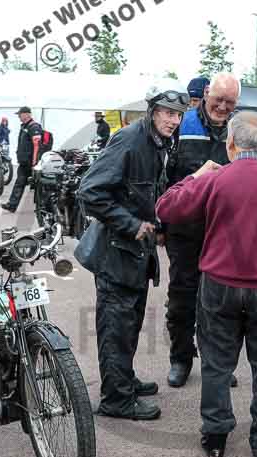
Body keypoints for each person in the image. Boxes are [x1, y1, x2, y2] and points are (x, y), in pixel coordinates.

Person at [157, 111, 257, 457]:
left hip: (219, 285)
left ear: (230, 144)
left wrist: (196, 175)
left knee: (216, 364)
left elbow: (166, 207)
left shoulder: (215, 180)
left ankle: (215, 435)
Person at [76, 81, 188, 421]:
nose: (174, 121)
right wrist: (132, 225)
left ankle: (122, 379)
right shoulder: (129, 139)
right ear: (153, 112)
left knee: (129, 323)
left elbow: (149, 191)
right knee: (116, 326)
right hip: (116, 253)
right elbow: (90, 192)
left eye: (179, 115)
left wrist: (160, 224)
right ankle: (116, 399)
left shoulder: (160, 142)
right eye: (168, 113)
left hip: (138, 254)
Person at [164, 72, 241, 388]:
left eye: (229, 102)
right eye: (218, 99)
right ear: (206, 94)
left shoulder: (241, 129)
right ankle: (181, 358)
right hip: (185, 229)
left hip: (224, 232)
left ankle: (217, 362)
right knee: (182, 296)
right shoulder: (182, 125)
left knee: (222, 302)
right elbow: (165, 176)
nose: (222, 106)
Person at [1, 107, 43, 213]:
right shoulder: (25, 126)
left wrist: (34, 162)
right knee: (20, 183)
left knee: (37, 185)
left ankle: (41, 207)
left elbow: (37, 145)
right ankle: (12, 205)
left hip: (30, 162)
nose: (19, 116)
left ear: (27, 114)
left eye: (20, 114)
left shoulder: (34, 127)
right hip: (24, 162)